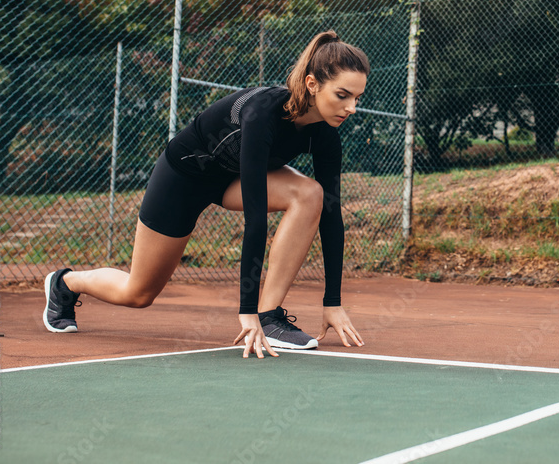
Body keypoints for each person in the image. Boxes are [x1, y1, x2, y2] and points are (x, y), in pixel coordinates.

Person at [43, 30, 367, 358]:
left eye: (357, 98)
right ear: (312, 84)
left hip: (230, 180)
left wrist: (332, 303)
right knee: (138, 293)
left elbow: (331, 215)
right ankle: (66, 283)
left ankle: (272, 318)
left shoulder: (325, 134)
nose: (351, 107)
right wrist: (246, 311)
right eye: (343, 95)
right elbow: (256, 220)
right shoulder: (262, 113)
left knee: (311, 194)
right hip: (183, 178)